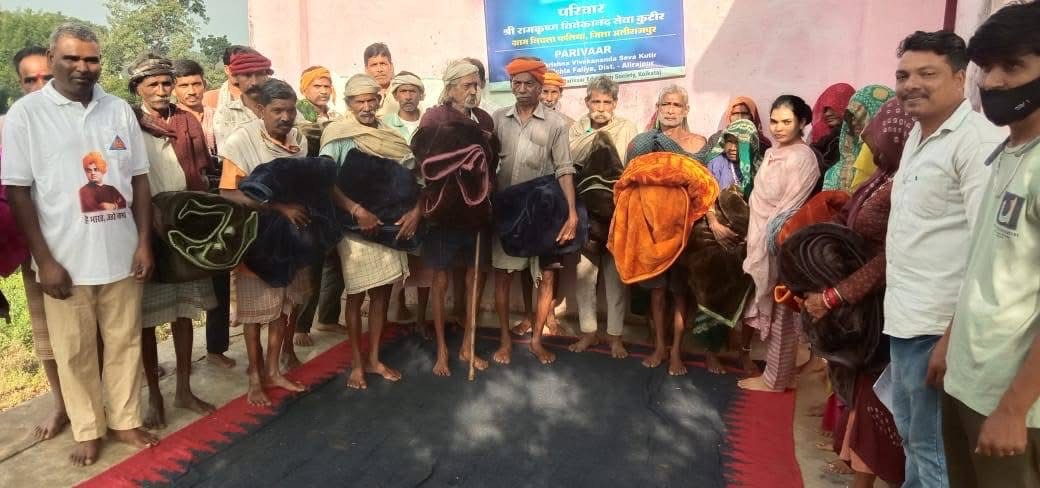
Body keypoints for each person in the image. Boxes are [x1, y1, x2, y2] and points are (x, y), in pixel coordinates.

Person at [2, 23, 159, 465]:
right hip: (65, 261)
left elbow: (139, 180)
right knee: (74, 351)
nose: (82, 67)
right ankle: (88, 429)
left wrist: (143, 243)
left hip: (122, 255)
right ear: (52, 59)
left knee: (125, 343)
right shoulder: (27, 114)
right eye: (71, 58)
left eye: (91, 59)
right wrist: (45, 260)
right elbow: (18, 191)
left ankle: (125, 420)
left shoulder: (118, 109)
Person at [885, 30, 1003, 487]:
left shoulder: (976, 143)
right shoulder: (918, 134)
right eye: (903, 75)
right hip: (906, 321)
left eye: (927, 74)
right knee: (914, 441)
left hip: (939, 329)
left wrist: (953, 339)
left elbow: (989, 248)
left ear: (959, 78)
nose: (911, 84)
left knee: (934, 455)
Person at [929, 4, 1040, 486]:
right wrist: (950, 341)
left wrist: (1014, 408)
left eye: (1012, 66)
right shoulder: (1009, 152)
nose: (993, 81)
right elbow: (985, 266)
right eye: (987, 67)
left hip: (1014, 405)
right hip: (968, 381)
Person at [802, 98, 914, 487]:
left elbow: (887, 258)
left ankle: (864, 475)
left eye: (878, 141)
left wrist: (833, 297)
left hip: (877, 305)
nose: (871, 148)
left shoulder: (904, 185)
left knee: (874, 399)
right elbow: (851, 220)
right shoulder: (884, 176)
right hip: (857, 302)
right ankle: (853, 460)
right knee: (860, 391)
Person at [127, 53, 217, 428]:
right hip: (146, 231)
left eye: (167, 83)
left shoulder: (186, 121)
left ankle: (183, 389)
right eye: (153, 84)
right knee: (147, 320)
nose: (162, 90)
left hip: (186, 228)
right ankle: (154, 395)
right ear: (138, 88)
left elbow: (201, 171)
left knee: (184, 312)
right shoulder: (129, 123)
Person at [320, 74, 416, 389]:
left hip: (387, 225)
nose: (366, 106)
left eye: (370, 100)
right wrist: (357, 211)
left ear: (379, 100)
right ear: (349, 103)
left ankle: (374, 358)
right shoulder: (338, 133)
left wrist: (408, 209)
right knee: (356, 292)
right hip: (353, 227)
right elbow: (326, 181)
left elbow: (407, 173)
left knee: (382, 292)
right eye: (359, 101)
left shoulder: (389, 133)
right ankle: (357, 365)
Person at [218, 79, 309, 406]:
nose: (285, 117)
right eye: (277, 110)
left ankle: (273, 371)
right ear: (260, 110)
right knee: (254, 315)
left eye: (290, 110)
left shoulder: (298, 140)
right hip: (255, 240)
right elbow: (228, 192)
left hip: (290, 239)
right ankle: (255, 378)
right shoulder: (241, 141)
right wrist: (277, 207)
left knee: (281, 309)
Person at [492, 56, 578, 365]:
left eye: (529, 84)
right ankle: (504, 341)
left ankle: (536, 341)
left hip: (543, 212)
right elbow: (487, 163)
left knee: (546, 278)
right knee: (503, 276)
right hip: (507, 212)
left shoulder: (556, 124)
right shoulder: (498, 119)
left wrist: (572, 214)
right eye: (516, 83)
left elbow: (564, 169)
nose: (522, 89)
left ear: (540, 87)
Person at [416, 59, 497, 376]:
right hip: (443, 213)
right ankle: (441, 351)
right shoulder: (434, 118)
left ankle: (467, 346)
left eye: (476, 84)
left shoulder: (484, 120)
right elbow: (425, 163)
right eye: (467, 85)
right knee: (440, 280)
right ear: (450, 89)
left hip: (476, 212)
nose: (473, 90)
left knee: (475, 277)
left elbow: (492, 162)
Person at [4, 45, 69, 442]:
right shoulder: (14, 128)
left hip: (83, 245)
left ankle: (99, 400)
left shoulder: (82, 118)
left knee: (94, 330)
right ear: (20, 84)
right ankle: (61, 404)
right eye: (31, 80)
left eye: (47, 76)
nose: (40, 86)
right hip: (36, 250)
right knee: (47, 334)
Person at [738, 95, 820, 392]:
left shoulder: (803, 158)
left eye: (787, 121)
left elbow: (789, 208)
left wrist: (769, 243)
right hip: (761, 237)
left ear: (802, 122)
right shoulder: (774, 152)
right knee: (777, 309)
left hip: (781, 242)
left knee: (784, 310)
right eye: (774, 121)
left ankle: (774, 380)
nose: (778, 127)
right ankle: (781, 373)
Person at [567, 75, 636, 357]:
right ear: (587, 102)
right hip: (585, 210)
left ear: (615, 103)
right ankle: (588, 332)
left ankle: (615, 336)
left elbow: (630, 166)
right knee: (584, 274)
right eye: (596, 101)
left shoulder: (627, 127)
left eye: (607, 102)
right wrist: (597, 136)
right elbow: (571, 157)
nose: (601, 107)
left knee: (615, 277)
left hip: (618, 211)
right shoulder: (577, 127)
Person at [171, 58, 233, 368]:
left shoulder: (218, 116)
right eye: (184, 85)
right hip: (184, 205)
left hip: (219, 200)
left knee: (219, 275)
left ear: (204, 83)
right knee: (177, 283)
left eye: (196, 83)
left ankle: (216, 348)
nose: (191, 90)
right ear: (174, 89)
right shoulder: (169, 121)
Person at [697, 118, 761, 374]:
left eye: (739, 142)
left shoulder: (759, 167)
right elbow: (705, 197)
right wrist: (715, 225)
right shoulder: (716, 164)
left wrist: (751, 235)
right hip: (717, 238)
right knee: (715, 292)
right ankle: (711, 352)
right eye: (729, 141)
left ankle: (743, 353)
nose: (733, 147)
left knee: (751, 300)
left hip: (751, 240)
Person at [821, 84, 895, 191]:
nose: (853, 122)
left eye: (862, 116)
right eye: (851, 117)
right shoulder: (835, 172)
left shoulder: (900, 164)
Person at [212, 48, 272, 148]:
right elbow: (228, 153)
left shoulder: (282, 106)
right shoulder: (225, 113)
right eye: (247, 75)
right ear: (236, 77)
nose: (254, 82)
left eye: (259, 74)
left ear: (267, 76)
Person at [696, 95, 772, 162]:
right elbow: (702, 160)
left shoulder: (762, 143)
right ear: (729, 116)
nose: (739, 118)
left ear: (752, 117)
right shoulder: (717, 138)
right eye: (735, 114)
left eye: (744, 114)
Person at [809, 83, 855, 176]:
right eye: (825, 110)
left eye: (833, 107)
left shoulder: (855, 138)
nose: (827, 114)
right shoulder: (821, 137)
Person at [383, 71, 425, 142]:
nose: (408, 97)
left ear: (420, 95)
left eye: (412, 91)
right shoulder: (385, 124)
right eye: (403, 91)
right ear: (395, 96)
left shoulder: (430, 122)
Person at [363, 42, 399, 118]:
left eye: (383, 64)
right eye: (374, 65)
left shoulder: (402, 93)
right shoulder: (360, 96)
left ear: (391, 67)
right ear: (366, 69)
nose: (379, 69)